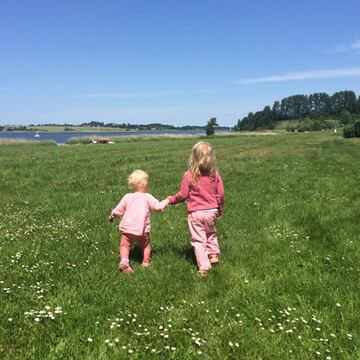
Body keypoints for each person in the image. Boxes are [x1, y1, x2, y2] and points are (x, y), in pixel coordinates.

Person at [167, 141, 224, 277]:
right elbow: (220, 194)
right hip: (211, 211)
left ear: (194, 158)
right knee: (210, 233)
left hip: (196, 213)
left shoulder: (189, 175)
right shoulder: (215, 174)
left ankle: (204, 267)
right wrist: (219, 208)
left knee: (199, 240)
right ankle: (213, 254)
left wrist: (171, 200)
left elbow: (183, 195)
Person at [109, 170, 168, 273]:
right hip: (142, 230)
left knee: (124, 245)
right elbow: (158, 207)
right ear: (145, 185)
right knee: (145, 245)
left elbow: (118, 210)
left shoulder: (127, 197)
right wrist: (167, 201)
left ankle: (124, 261)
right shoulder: (147, 197)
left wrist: (112, 215)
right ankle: (145, 263)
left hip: (127, 229)